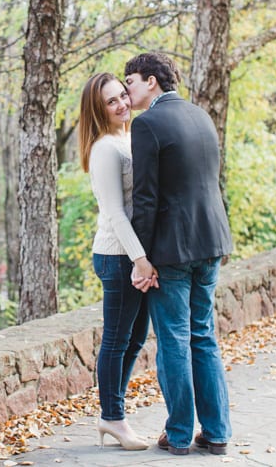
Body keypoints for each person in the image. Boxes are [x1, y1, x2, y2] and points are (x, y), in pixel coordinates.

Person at [124, 52, 233, 456]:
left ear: (151, 81)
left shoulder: (147, 123)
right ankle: (218, 433)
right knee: (203, 336)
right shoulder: (200, 116)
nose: (127, 90)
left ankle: (180, 434)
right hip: (211, 242)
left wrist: (142, 258)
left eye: (131, 81)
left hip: (171, 251)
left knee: (173, 339)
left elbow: (146, 198)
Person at [78, 73, 159, 451]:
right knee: (116, 339)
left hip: (134, 254)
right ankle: (112, 417)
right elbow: (114, 212)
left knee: (135, 337)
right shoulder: (105, 149)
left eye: (123, 96)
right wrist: (139, 261)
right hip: (117, 255)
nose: (122, 104)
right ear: (98, 110)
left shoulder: (126, 137)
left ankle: (113, 412)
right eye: (111, 101)